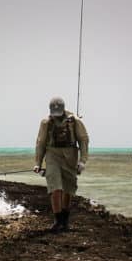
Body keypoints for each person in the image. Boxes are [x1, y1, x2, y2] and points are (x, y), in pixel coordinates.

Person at [33, 96, 89, 232]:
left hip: (70, 156)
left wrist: (82, 161)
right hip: (52, 155)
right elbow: (40, 143)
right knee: (55, 188)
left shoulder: (75, 121)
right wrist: (38, 163)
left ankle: (65, 219)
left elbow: (83, 140)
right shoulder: (46, 122)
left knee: (68, 189)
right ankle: (57, 221)